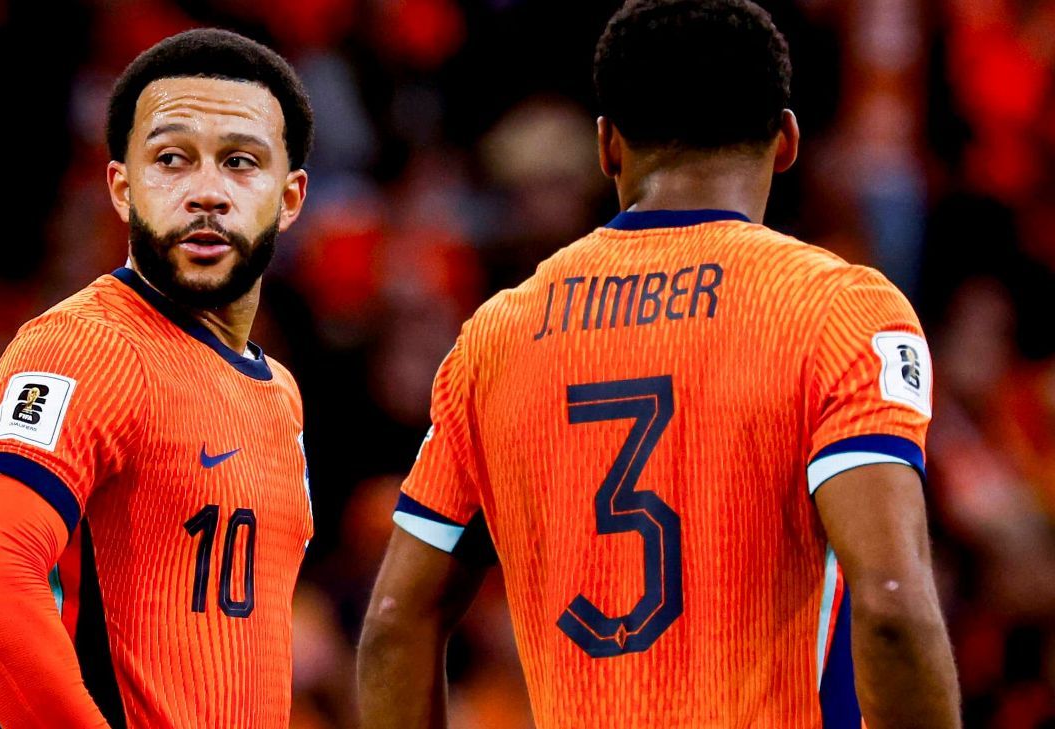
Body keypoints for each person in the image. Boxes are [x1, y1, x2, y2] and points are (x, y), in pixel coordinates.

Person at [357, 1, 960, 727]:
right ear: (786, 140)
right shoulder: (837, 309)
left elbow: (394, 622)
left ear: (607, 145)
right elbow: (891, 605)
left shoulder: (495, 337)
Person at [0, 28, 315, 728]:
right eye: (171, 159)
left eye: (240, 162)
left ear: (289, 198)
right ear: (122, 187)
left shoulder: (279, 394)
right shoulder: (85, 346)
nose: (206, 192)